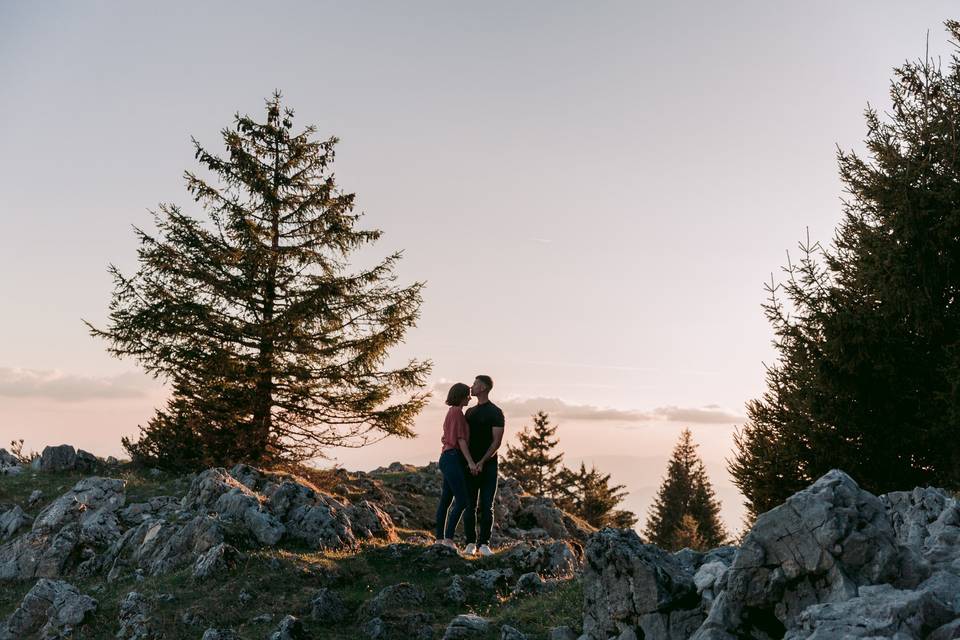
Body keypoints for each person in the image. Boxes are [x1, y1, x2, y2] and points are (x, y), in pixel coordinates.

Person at [463, 374, 505, 556]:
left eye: (475, 384)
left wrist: (481, 462)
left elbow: (496, 442)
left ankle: (484, 544)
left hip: (488, 466)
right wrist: (471, 463)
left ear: (483, 387)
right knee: (469, 505)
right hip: (469, 465)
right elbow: (462, 437)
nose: (471, 386)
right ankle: (470, 543)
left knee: (487, 505)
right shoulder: (469, 412)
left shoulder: (496, 412)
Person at [434, 382, 477, 549]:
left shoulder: (451, 412)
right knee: (462, 501)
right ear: (461, 396)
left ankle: (439, 539)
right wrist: (471, 462)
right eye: (467, 395)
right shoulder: (458, 413)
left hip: (447, 457)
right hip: (453, 458)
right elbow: (460, 440)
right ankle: (449, 540)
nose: (470, 397)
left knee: (446, 499)